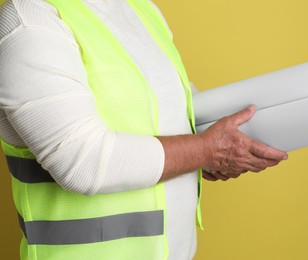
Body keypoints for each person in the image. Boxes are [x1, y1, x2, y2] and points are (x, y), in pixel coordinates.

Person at [0, 0, 288, 259]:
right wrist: (207, 150)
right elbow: (84, 162)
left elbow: (173, 116)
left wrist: (223, 145)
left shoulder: (140, 8)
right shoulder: (30, 20)